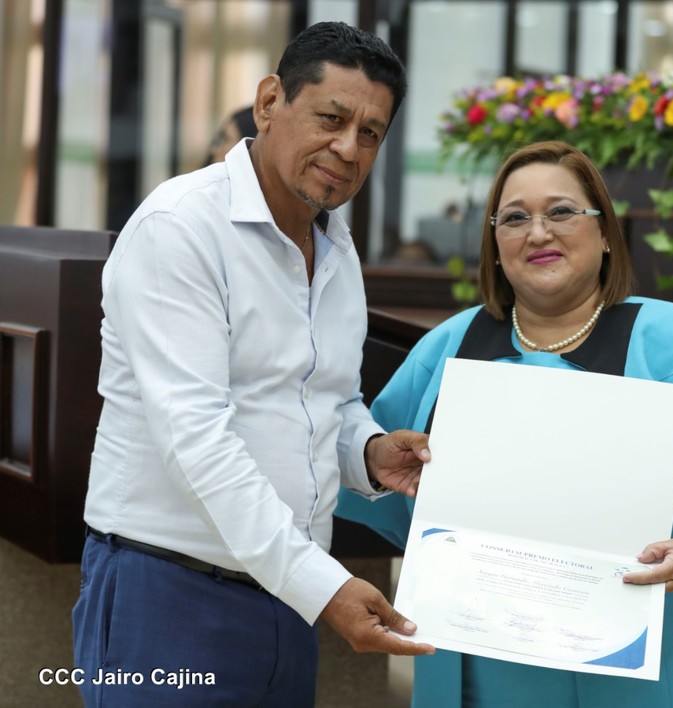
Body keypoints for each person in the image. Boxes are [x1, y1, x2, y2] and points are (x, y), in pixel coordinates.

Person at [336, 140, 673, 707]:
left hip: (665, 652)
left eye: (562, 211)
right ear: (494, 245)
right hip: (489, 665)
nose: (538, 232)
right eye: (515, 218)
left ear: (605, 233)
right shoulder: (449, 347)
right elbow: (370, 466)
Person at [72, 21, 435, 708]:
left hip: (287, 596)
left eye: (370, 133)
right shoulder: (181, 227)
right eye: (331, 118)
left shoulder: (335, 246)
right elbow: (197, 440)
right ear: (270, 102)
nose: (348, 147)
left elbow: (323, 399)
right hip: (169, 592)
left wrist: (368, 452)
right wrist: (323, 587)